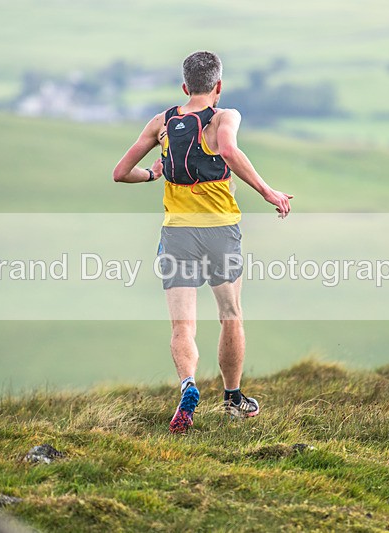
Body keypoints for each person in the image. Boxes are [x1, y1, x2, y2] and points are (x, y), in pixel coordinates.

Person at [112, 50, 293, 434]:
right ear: (218, 86)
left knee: (182, 326)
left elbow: (120, 172)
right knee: (230, 314)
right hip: (220, 231)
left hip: (177, 232)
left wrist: (152, 175)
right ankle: (232, 400)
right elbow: (227, 149)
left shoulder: (163, 121)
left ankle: (188, 385)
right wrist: (266, 191)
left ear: (184, 86)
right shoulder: (225, 116)